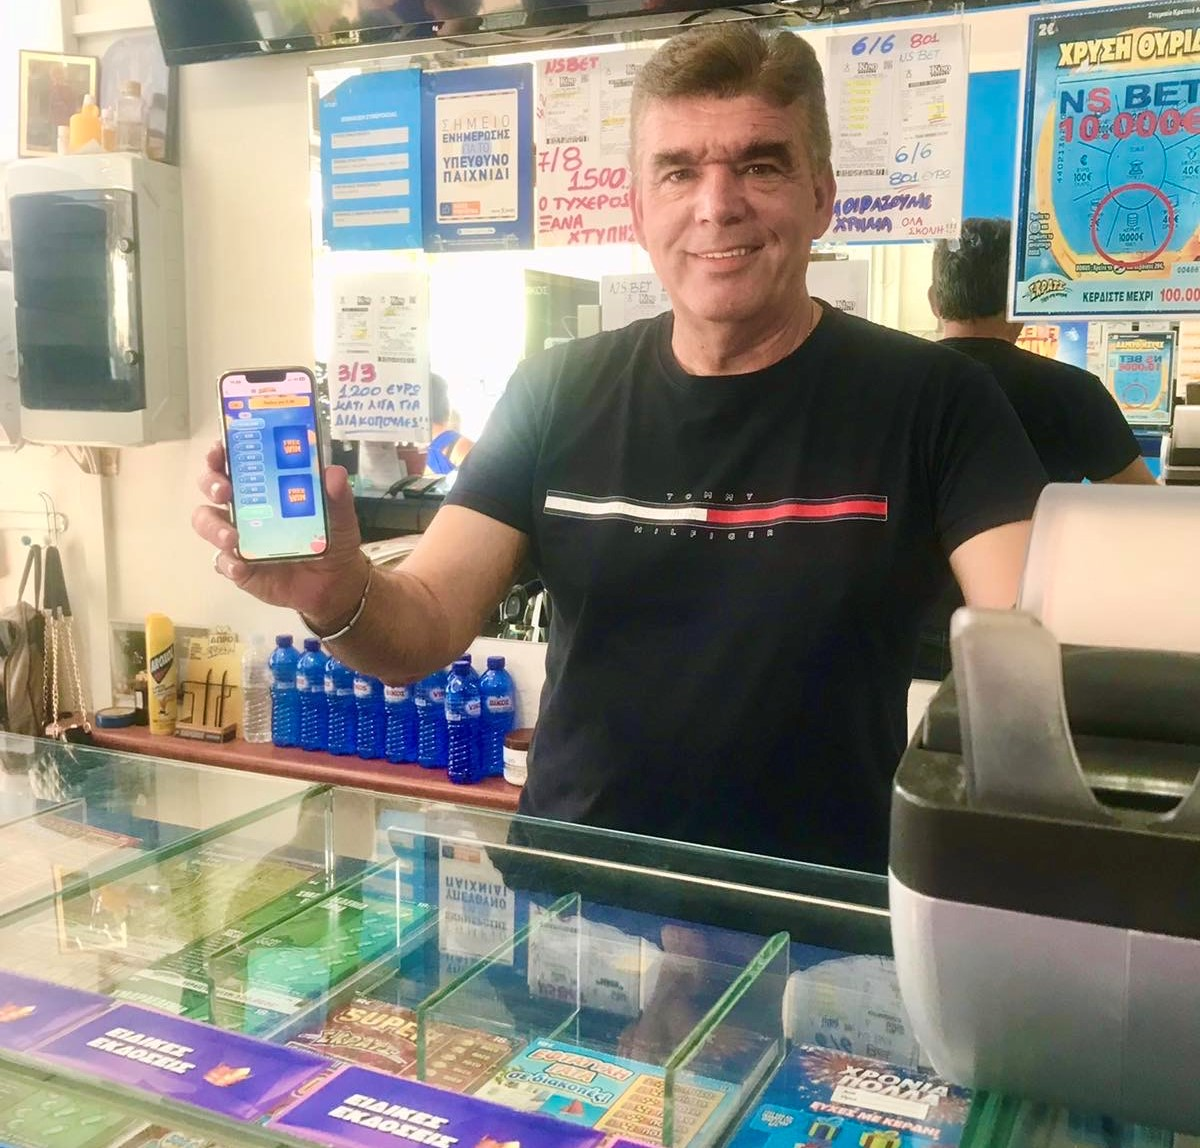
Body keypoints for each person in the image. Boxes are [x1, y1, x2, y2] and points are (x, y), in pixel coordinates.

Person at [195, 24, 1045, 873]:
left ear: (821, 195)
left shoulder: (938, 400)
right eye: (678, 171)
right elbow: (421, 628)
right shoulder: (555, 391)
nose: (717, 205)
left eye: (760, 165)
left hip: (813, 914)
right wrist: (337, 592)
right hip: (578, 900)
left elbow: (1035, 657)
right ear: (638, 210)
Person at [914, 217, 1156, 680]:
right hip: (1024, 628)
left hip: (904, 627)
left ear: (933, 301)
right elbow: (1143, 508)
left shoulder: (894, 385)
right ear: (1020, 302)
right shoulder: (1073, 391)